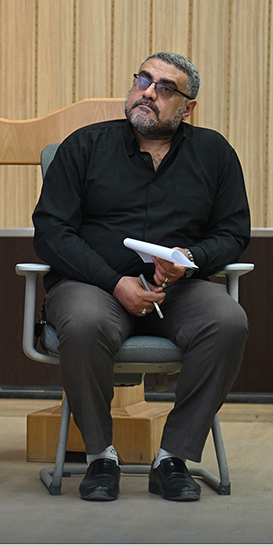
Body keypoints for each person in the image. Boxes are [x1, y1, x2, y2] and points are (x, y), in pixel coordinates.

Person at [32, 52, 251, 502]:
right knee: (85, 321)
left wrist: (190, 258)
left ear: (187, 107)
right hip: (93, 286)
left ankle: (171, 458)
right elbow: (51, 231)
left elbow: (233, 233)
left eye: (165, 88)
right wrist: (115, 283)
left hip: (178, 289)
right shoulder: (85, 146)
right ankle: (100, 457)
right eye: (143, 80)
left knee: (228, 321)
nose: (148, 92)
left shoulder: (214, 153)